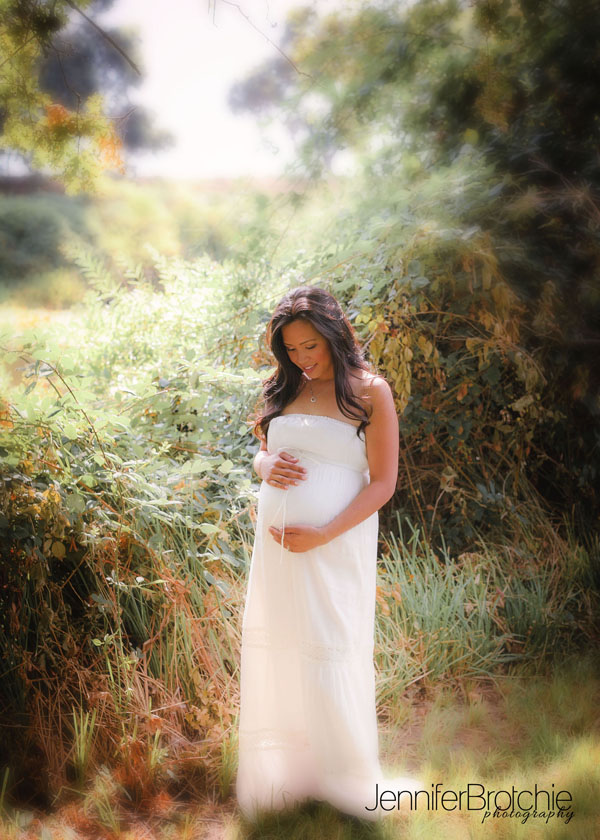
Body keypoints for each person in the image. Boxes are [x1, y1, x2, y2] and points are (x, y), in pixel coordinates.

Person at [235, 286, 423, 822]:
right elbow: (266, 453)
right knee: (286, 646)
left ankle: (347, 777)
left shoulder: (370, 392)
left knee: (329, 644)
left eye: (311, 346)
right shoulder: (286, 386)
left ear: (335, 334)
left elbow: (383, 482)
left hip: (334, 543)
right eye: (291, 349)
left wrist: (324, 531)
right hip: (276, 553)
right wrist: (263, 467)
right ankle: (293, 777)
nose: (302, 359)